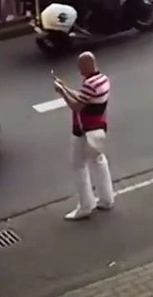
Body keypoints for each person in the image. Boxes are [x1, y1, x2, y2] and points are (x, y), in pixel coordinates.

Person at [55, 52, 114, 220]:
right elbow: (83, 97)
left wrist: (62, 92)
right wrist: (66, 87)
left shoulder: (89, 84)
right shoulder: (103, 80)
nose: (79, 69)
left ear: (88, 64)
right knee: (99, 161)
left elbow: (77, 105)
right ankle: (106, 199)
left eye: (80, 66)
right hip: (99, 128)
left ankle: (85, 205)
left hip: (84, 130)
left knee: (78, 166)